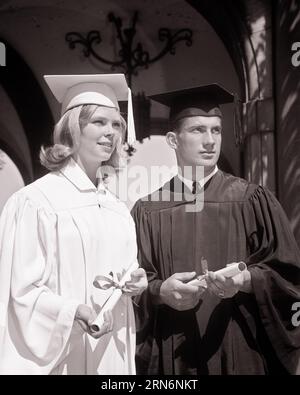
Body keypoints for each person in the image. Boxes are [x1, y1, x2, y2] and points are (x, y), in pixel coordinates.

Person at [131, 84, 300, 375]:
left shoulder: (251, 199)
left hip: (239, 348)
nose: (210, 141)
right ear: (172, 139)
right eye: (198, 130)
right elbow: (135, 283)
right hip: (172, 353)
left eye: (216, 130)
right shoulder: (148, 210)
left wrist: (246, 280)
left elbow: (288, 275)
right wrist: (161, 292)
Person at [0, 73, 147, 374]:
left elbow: (126, 272)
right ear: (72, 128)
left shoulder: (117, 209)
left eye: (116, 124)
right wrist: (70, 312)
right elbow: (19, 292)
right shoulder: (36, 201)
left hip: (112, 352)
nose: (111, 133)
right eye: (99, 122)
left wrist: (137, 282)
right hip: (65, 354)